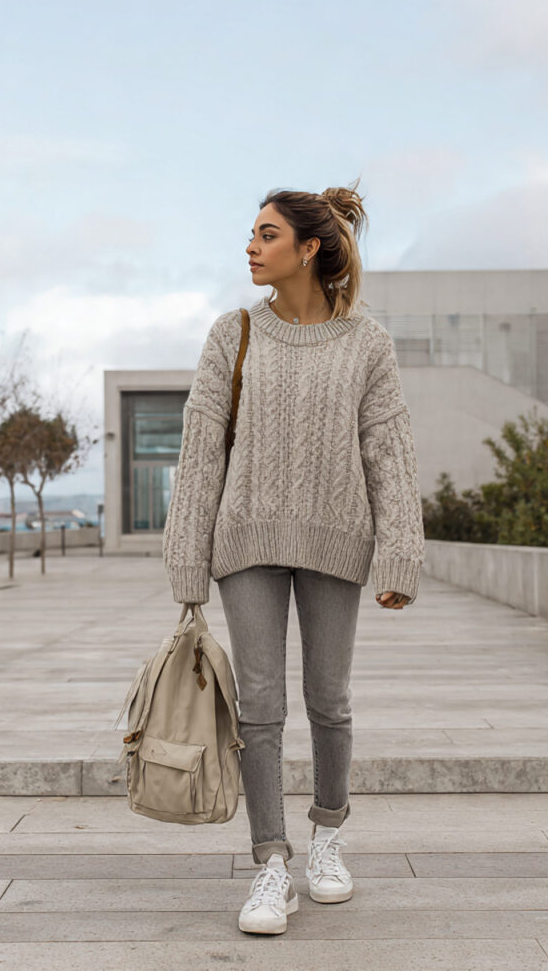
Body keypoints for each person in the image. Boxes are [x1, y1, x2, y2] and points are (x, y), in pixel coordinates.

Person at [161, 177, 424, 935]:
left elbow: (388, 451)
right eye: (252, 233)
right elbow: (201, 450)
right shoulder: (232, 334)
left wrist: (399, 555)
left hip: (336, 540)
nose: (250, 246)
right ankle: (271, 863)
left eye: (267, 234)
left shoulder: (367, 342)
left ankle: (328, 836)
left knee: (330, 700)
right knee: (261, 705)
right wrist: (187, 559)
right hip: (246, 541)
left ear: (310, 248)